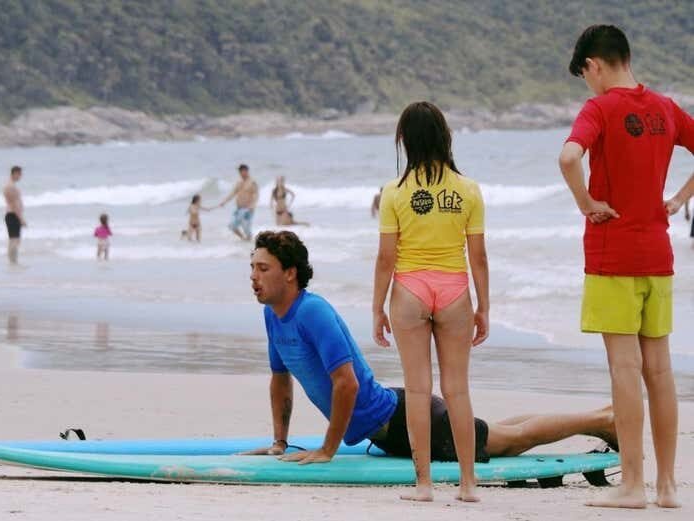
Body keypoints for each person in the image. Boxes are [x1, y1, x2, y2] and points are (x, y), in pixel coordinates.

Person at [245, 230, 617, 490]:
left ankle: (601, 420)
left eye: (263, 268)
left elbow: (347, 383)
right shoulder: (273, 315)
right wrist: (280, 441)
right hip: (393, 427)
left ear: (290, 273)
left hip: (405, 421)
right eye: (252, 268)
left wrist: (329, 449)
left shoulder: (313, 312)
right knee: (493, 430)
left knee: (508, 441)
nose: (253, 277)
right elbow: (280, 379)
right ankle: (599, 416)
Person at [559, 25, 694, 509]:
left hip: (613, 255)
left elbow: (569, 155)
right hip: (658, 257)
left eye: (585, 76)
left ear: (593, 65)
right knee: (659, 370)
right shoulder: (664, 107)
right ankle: (669, 487)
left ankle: (633, 485)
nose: (588, 86)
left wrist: (585, 201)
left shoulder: (599, 108)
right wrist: (677, 198)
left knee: (624, 368)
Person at [371, 102, 488, 502]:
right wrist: (483, 306)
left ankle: (423, 485)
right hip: (455, 291)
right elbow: (479, 257)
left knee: (418, 390)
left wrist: (376, 308)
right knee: (457, 389)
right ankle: (469, 484)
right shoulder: (468, 190)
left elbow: (387, 257)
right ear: (445, 137)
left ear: (404, 140)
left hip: (408, 290)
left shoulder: (394, 192)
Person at [215, 164, 259, 241]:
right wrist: (224, 202)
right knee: (232, 226)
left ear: (246, 171)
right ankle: (243, 239)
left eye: (241, 171)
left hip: (247, 209)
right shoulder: (239, 182)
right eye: (239, 171)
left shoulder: (252, 182)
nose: (240, 173)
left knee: (246, 228)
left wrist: (252, 205)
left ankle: (250, 243)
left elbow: (256, 195)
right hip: (238, 209)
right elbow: (232, 194)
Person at [2, 165, 26, 265]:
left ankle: (13, 261)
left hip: (13, 214)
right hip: (12, 214)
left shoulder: (11, 185)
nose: (20, 177)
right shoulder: (10, 186)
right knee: (14, 240)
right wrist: (20, 218)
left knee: (15, 239)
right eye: (19, 174)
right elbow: (13, 203)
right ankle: (13, 261)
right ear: (15, 173)